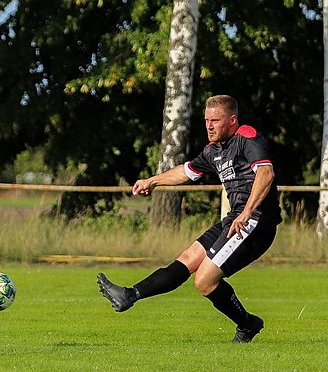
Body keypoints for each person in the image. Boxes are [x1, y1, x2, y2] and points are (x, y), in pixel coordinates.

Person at [97, 95, 281, 343]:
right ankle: (129, 295)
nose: (209, 126)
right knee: (187, 258)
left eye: (215, 120)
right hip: (235, 219)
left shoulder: (246, 137)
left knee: (204, 281)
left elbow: (266, 174)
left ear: (232, 120)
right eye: (206, 120)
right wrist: (153, 181)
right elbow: (186, 172)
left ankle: (248, 324)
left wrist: (247, 212)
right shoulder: (213, 150)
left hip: (256, 222)